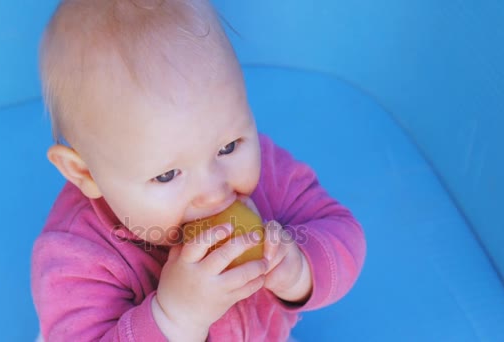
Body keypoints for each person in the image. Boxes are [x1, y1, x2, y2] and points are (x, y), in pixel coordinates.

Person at [31, 0, 366, 340]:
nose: (214, 192)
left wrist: (300, 271)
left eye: (228, 147)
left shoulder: (268, 170)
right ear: (85, 174)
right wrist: (175, 317)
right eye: (167, 175)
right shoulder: (77, 255)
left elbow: (342, 232)